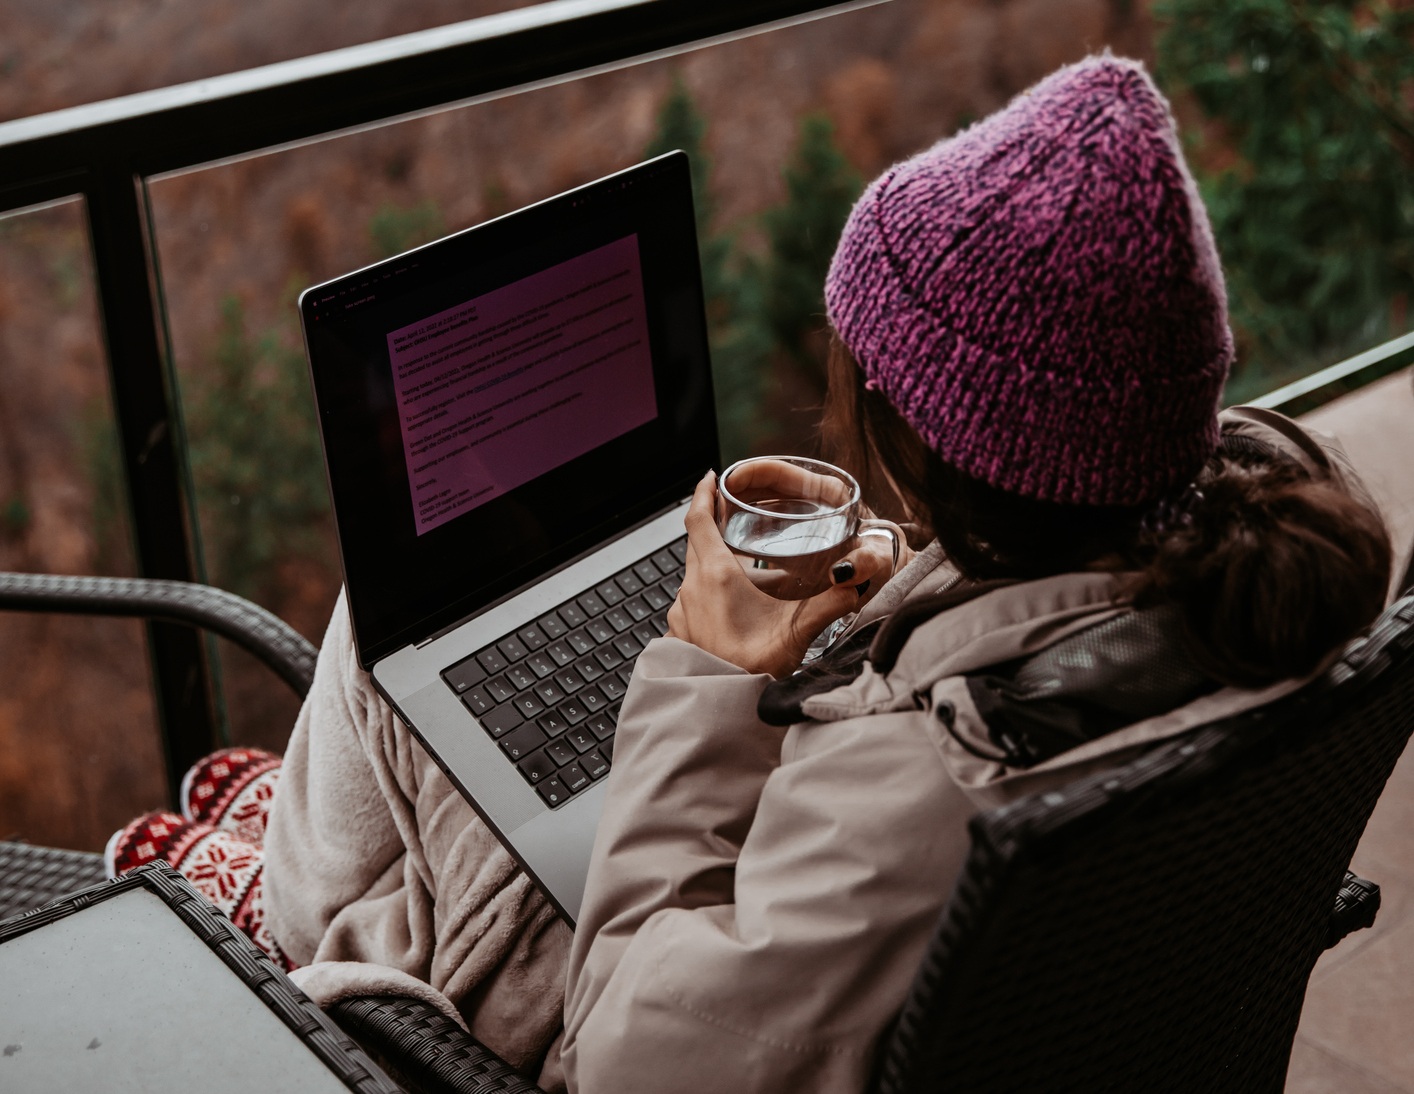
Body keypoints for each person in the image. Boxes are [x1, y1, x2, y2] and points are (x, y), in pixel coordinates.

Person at [108, 54, 1392, 1094]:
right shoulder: (1263, 587)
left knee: (381, 634)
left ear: (923, 435)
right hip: (996, 1001)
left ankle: (275, 941)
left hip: (629, 1016)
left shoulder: (921, 787)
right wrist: (918, 601)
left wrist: (700, 672)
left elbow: (626, 1056)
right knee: (425, 646)